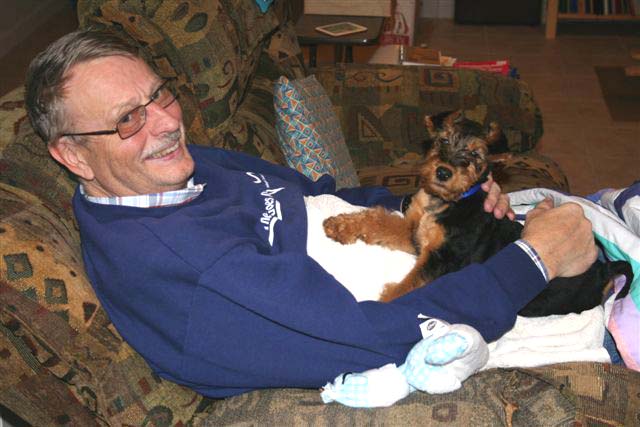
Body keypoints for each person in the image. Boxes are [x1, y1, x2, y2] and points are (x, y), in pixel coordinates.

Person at [25, 29, 598, 398]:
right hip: (463, 307)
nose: (167, 123)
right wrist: (534, 259)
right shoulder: (189, 267)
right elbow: (370, 336)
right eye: (129, 118)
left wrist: (440, 209)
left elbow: (318, 192)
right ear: (73, 153)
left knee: (600, 214)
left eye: (161, 95)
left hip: (437, 249)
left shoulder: (169, 170)